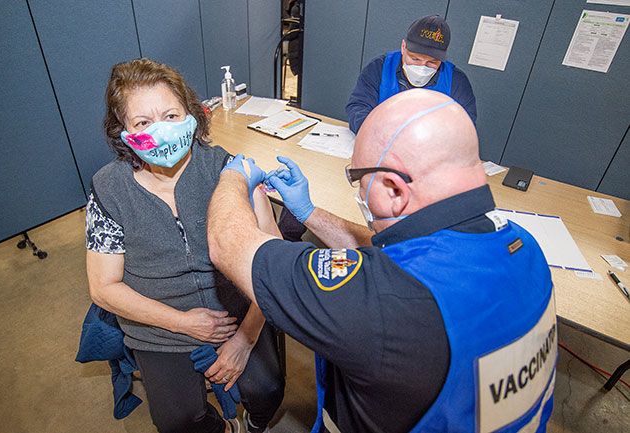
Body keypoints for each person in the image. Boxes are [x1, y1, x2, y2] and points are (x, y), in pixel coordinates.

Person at [207, 89, 556, 432]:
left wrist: (233, 176)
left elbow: (229, 245)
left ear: (394, 188)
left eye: (358, 179)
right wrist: (309, 214)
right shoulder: (526, 247)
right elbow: (405, 253)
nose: (358, 191)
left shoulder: (380, 302)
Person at [86, 58, 284, 433]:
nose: (160, 131)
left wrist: (246, 337)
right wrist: (182, 322)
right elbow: (103, 287)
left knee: (268, 389)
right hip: (158, 322)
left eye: (171, 115)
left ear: (192, 115)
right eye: (143, 123)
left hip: (237, 311)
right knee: (178, 422)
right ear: (123, 132)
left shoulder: (229, 171)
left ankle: (254, 424)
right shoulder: (109, 190)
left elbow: (273, 263)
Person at [346, 14, 477, 134]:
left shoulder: (456, 82)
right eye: (415, 59)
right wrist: (379, 135)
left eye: (432, 62)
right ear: (403, 47)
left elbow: (466, 128)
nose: (422, 67)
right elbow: (358, 107)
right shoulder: (379, 68)